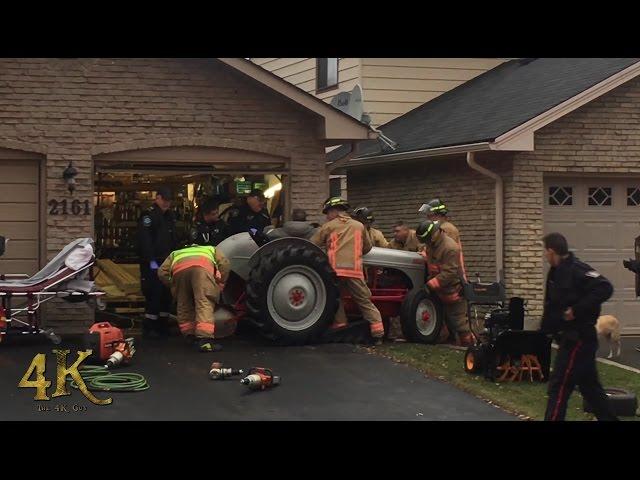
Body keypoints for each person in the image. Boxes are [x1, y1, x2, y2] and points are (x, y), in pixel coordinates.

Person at [540, 232, 618, 421]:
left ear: (551, 251)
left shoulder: (578, 270)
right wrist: (545, 331)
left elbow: (605, 288)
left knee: (560, 385)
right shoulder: (555, 272)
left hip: (579, 338)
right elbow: (552, 305)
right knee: (590, 387)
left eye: (545, 252)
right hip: (567, 336)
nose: (544, 256)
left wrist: (576, 310)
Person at [310, 197, 385, 343]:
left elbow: (313, 244)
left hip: (335, 271)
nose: (327, 216)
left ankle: (341, 328)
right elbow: (367, 247)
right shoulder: (359, 226)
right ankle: (378, 334)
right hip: (354, 271)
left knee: (336, 300)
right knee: (365, 301)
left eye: (328, 212)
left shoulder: (328, 226)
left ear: (334, 211)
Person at [157, 242, 230, 352]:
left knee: (184, 304)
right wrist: (220, 282)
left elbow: (162, 272)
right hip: (201, 272)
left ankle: (190, 337)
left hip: (179, 274)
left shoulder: (175, 253)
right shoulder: (211, 249)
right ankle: (205, 341)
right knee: (203, 303)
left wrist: (172, 283)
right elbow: (225, 264)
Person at [416, 220, 474, 347]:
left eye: (427, 239)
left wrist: (431, 284)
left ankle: (469, 347)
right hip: (439, 290)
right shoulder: (432, 244)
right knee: (442, 320)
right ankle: (450, 341)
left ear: (435, 233)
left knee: (459, 323)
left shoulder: (450, 248)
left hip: (452, 290)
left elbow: (450, 273)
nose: (427, 243)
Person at [136, 187, 178, 339]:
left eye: (169, 201)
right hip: (152, 263)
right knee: (153, 294)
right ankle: (150, 326)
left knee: (166, 295)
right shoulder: (149, 216)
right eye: (164, 200)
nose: (167, 203)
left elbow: (173, 239)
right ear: (157, 198)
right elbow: (145, 241)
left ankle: (162, 324)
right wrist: (151, 262)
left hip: (167, 262)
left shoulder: (170, 216)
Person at [419, 198, 467, 281]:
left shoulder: (447, 229)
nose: (427, 218)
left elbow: (444, 254)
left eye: (429, 215)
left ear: (438, 215)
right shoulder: (438, 228)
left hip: (446, 279)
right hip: (439, 276)